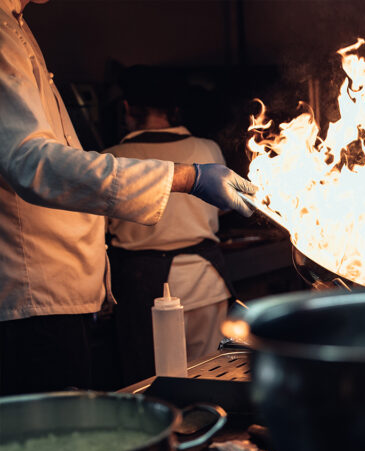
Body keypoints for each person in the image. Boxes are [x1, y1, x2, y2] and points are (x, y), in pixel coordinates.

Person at [0, 0, 256, 396]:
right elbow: (32, 162)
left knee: (165, 385)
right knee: (162, 390)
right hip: (41, 299)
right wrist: (188, 177)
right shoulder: (2, 29)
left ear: (128, 108)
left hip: (116, 288)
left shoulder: (17, 24)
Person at [104, 66, 239, 385]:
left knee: (153, 383)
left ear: (127, 108)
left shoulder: (113, 158)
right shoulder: (207, 148)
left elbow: (100, 228)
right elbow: (222, 208)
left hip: (143, 287)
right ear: (174, 109)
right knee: (212, 377)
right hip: (205, 283)